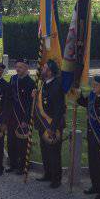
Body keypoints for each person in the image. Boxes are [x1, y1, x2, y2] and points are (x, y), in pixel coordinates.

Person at [32, 59, 66, 189]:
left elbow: (59, 109)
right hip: (43, 125)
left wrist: (53, 127)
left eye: (45, 68)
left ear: (50, 72)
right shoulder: (43, 84)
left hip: (53, 126)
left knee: (54, 153)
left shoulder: (57, 85)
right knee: (45, 151)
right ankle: (47, 174)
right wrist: (35, 95)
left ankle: (56, 178)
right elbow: (42, 102)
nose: (42, 69)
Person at [7, 59, 35, 175]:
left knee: (22, 144)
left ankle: (22, 166)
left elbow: (30, 104)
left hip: (22, 117)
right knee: (11, 142)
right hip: (12, 116)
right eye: (17, 67)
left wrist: (26, 120)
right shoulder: (13, 79)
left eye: (21, 67)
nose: (18, 69)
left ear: (26, 68)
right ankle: (12, 164)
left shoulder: (30, 83)